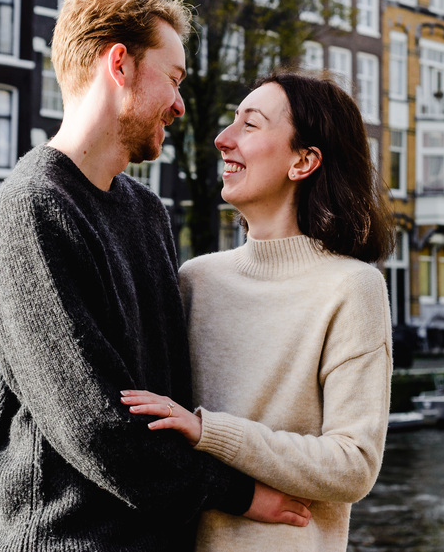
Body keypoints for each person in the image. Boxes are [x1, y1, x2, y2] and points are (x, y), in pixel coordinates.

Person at [0, 0, 310, 552]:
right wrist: (246, 495)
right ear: (120, 65)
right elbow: (97, 427)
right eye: (173, 80)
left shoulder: (147, 212)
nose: (180, 104)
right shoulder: (33, 208)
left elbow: (175, 392)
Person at [120, 72, 396, 551]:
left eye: (250, 125)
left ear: (303, 161)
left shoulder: (353, 288)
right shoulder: (194, 280)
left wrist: (211, 432)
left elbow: (353, 465)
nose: (222, 139)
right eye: (231, 122)